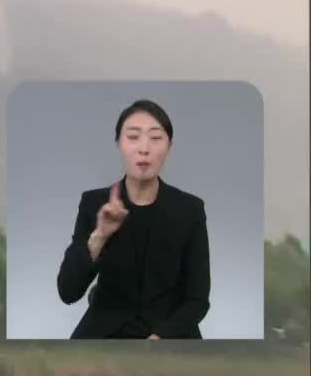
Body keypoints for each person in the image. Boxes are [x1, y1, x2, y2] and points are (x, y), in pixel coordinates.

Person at [56, 99, 210, 338]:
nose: (144, 148)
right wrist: (100, 236)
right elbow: (67, 291)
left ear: (169, 145)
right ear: (119, 143)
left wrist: (160, 338)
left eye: (156, 138)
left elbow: (197, 301)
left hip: (170, 334)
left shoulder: (189, 210)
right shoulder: (95, 204)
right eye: (133, 137)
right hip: (105, 332)